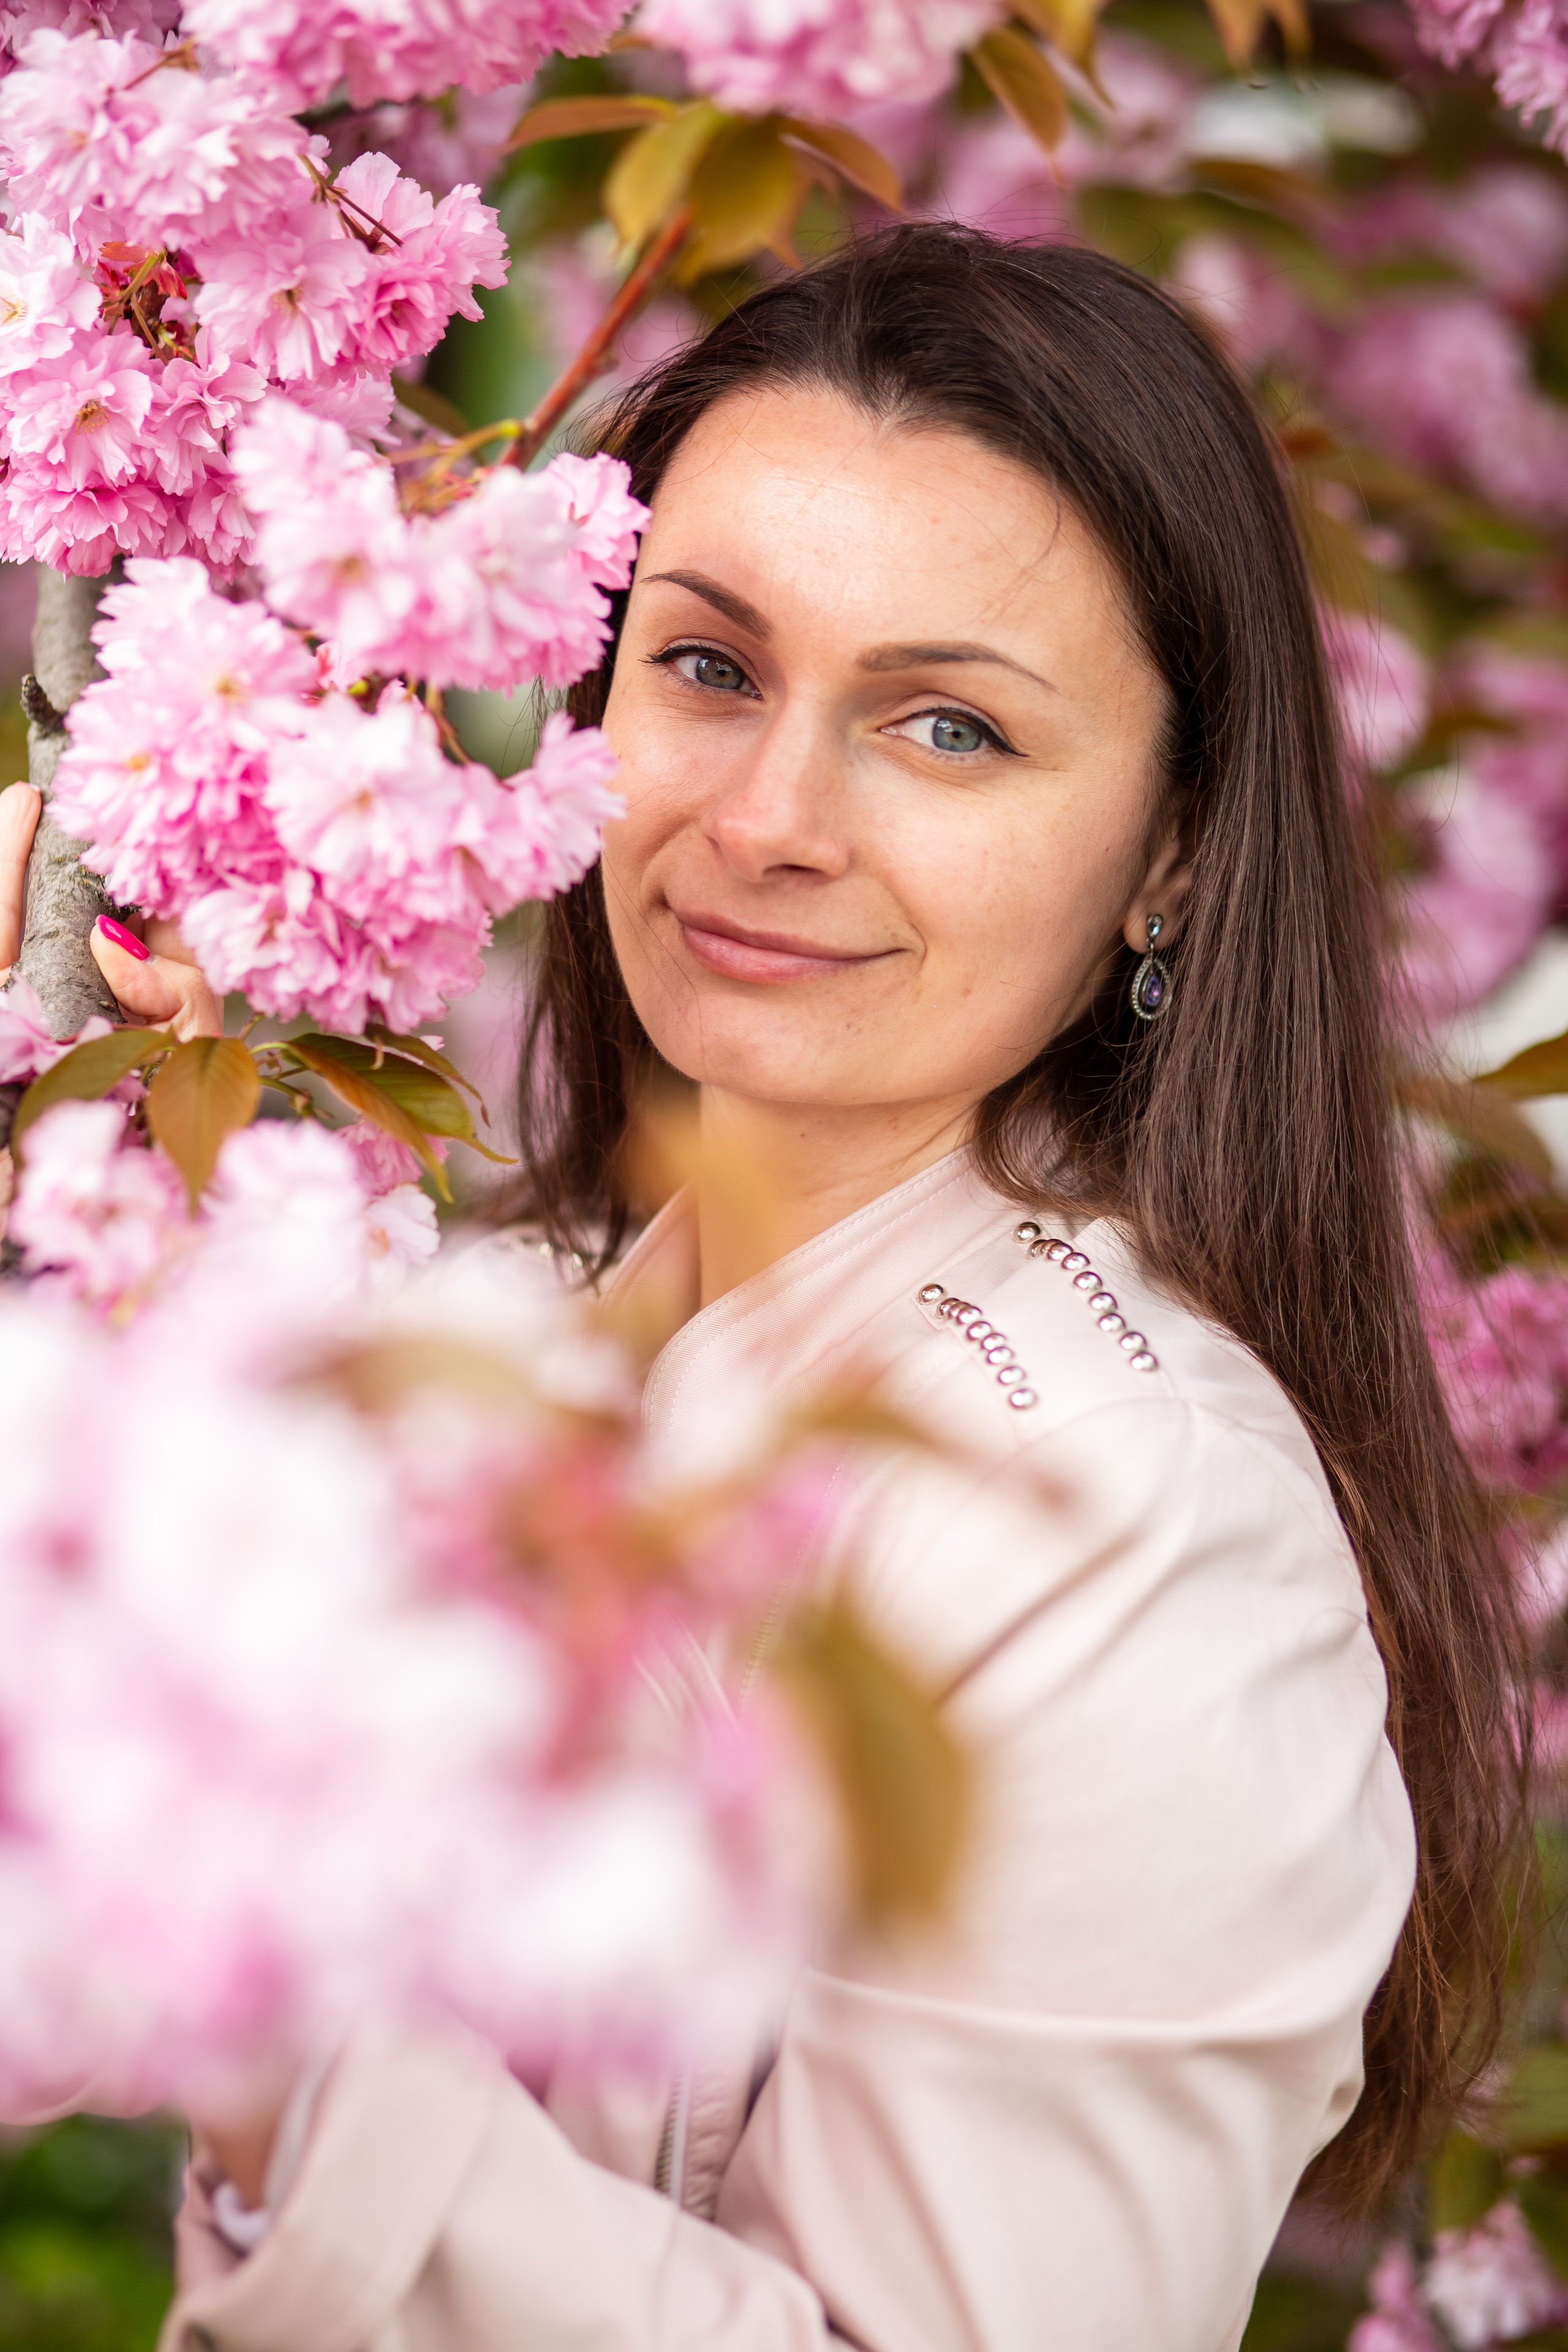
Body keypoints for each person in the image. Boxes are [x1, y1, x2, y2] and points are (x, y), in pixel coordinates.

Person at [0, 225, 1525, 2351]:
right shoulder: (504, 1311)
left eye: (951, 730)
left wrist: (297, 2063)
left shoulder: (1137, 1528)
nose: (769, 820)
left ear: (1173, 848)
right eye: (710, 667)